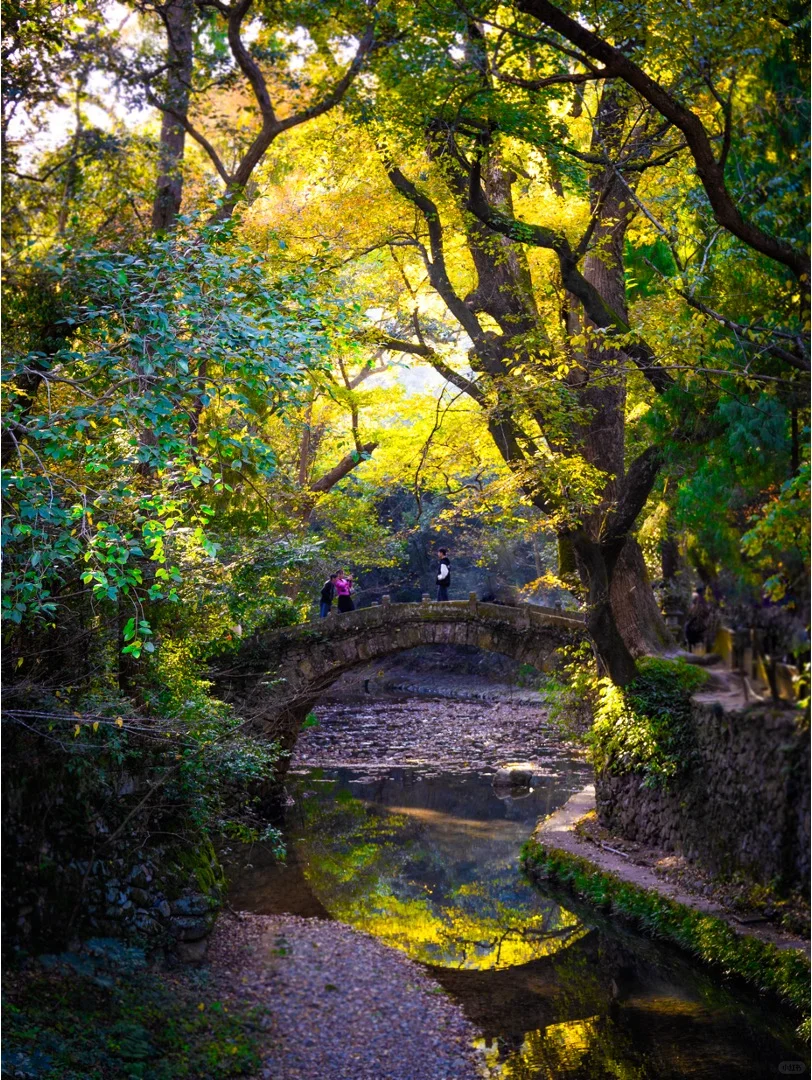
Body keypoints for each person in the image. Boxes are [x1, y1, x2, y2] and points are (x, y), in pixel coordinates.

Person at [684, 588, 708, 652]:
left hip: (698, 624)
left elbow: (693, 613)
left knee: (687, 627)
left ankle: (689, 645)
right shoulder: (701, 600)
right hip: (699, 623)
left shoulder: (700, 600)